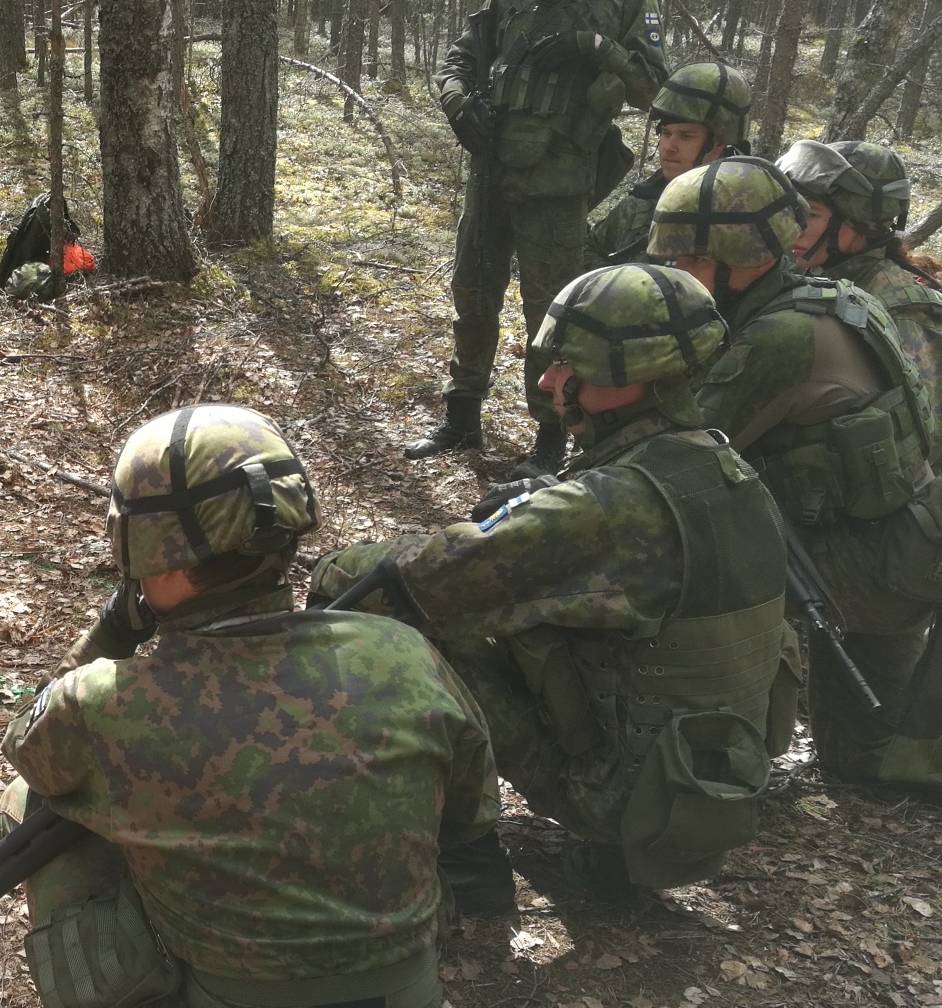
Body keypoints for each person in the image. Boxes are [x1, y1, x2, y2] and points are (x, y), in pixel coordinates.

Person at [0, 404, 500, 1008]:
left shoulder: (105, 702)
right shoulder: (401, 653)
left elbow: (31, 754)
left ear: (146, 554)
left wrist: (118, 627)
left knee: (37, 814)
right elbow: (465, 824)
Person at [314, 265, 792, 903]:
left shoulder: (611, 505)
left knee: (385, 614)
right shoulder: (726, 469)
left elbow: (419, 577)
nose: (546, 381)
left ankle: (466, 857)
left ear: (628, 374)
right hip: (711, 786)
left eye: (567, 364)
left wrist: (328, 570)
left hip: (618, 798)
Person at [647, 159, 942, 799]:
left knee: (677, 562)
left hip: (869, 567)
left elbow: (672, 456)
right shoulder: (828, 297)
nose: (678, 278)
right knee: (864, 752)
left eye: (692, 261)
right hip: (883, 549)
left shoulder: (791, 330)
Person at [415, 0, 667, 475]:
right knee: (473, 293)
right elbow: (459, 58)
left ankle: (550, 435)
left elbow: (655, 86)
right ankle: (462, 414)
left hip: (558, 180)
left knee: (549, 311)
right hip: (492, 169)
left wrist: (593, 46)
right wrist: (456, 104)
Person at [586, 62, 750, 267]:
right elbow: (590, 250)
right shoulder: (642, 202)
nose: (668, 147)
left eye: (686, 136)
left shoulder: (747, 216)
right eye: (666, 133)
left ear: (718, 142)